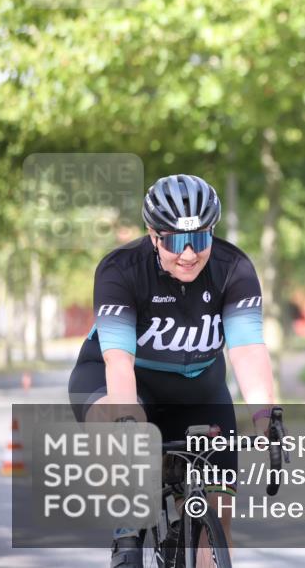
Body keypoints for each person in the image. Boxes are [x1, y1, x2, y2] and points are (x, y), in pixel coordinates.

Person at [68, 174, 276, 567]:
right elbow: (118, 361)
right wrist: (128, 426)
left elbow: (248, 350)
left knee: (218, 514)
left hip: (199, 392)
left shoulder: (235, 269)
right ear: (153, 235)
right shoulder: (121, 269)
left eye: (199, 239)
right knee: (125, 428)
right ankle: (127, 535)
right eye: (175, 241)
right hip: (120, 380)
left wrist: (266, 419)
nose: (188, 254)